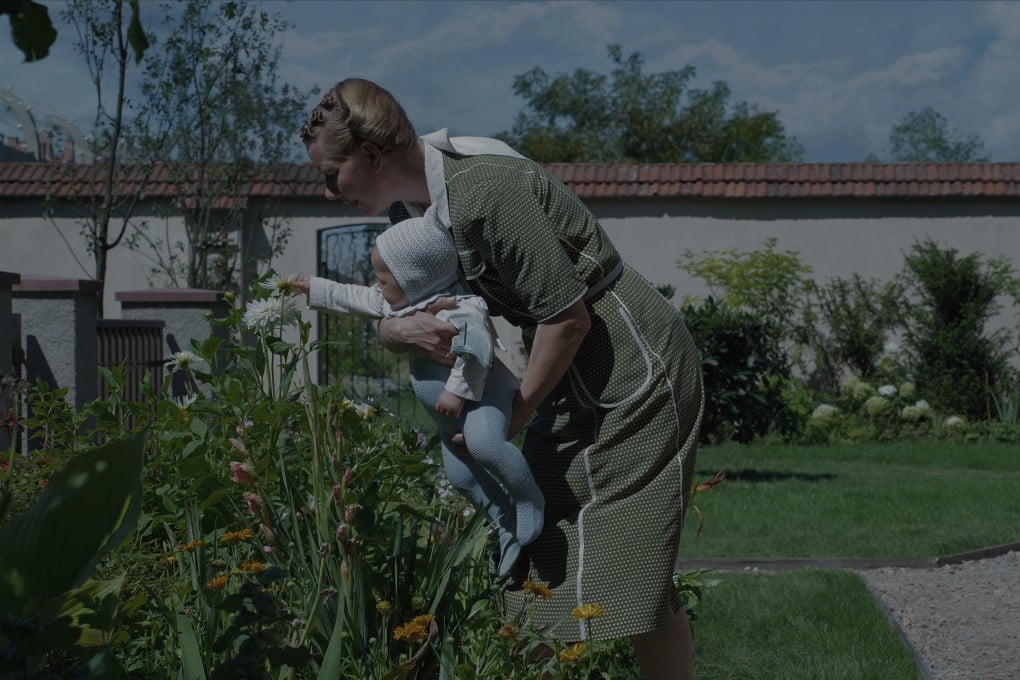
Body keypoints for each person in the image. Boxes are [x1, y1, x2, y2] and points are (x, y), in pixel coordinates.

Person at [299, 78, 704, 680]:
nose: (328, 192)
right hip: (574, 376)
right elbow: (414, 306)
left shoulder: (483, 194)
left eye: (331, 175)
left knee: (629, 563)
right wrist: (394, 333)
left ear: (371, 157)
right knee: (544, 547)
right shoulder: (417, 212)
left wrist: (512, 420)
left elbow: (567, 319)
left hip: (632, 369)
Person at [291, 206, 544, 577]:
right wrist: (313, 286)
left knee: (486, 446)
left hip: (482, 397)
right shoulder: (400, 303)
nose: (376, 284)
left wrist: (456, 392)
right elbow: (354, 296)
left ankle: (527, 500)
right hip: (448, 415)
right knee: (460, 478)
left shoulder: (461, 308)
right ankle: (502, 521)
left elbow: (477, 353)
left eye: (383, 277)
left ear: (414, 277)